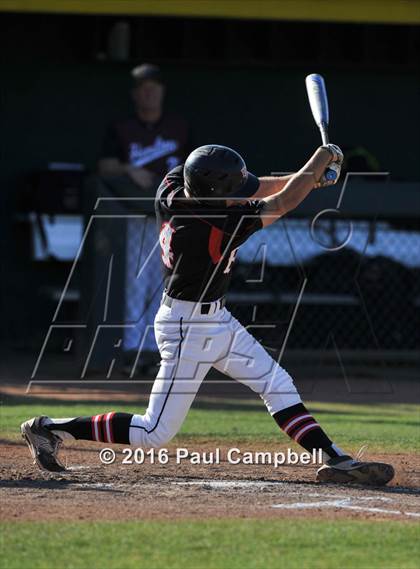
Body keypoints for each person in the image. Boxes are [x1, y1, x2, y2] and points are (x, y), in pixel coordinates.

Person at [21, 143, 394, 486]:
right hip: (188, 330)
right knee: (154, 433)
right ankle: (50, 428)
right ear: (215, 195)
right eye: (232, 191)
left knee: (276, 382)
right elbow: (281, 202)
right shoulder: (212, 226)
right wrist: (318, 161)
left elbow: (261, 188)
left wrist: (310, 178)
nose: (239, 194)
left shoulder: (172, 187)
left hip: (215, 320)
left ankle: (334, 459)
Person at [98, 63, 190, 371]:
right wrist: (128, 169)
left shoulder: (178, 127)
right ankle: (132, 350)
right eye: (143, 88)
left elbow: (196, 169)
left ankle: (155, 352)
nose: (149, 93)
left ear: (162, 91)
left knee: (163, 286)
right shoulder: (122, 127)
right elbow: (104, 166)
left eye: (154, 87)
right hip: (135, 218)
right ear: (135, 94)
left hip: (171, 219)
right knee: (135, 282)